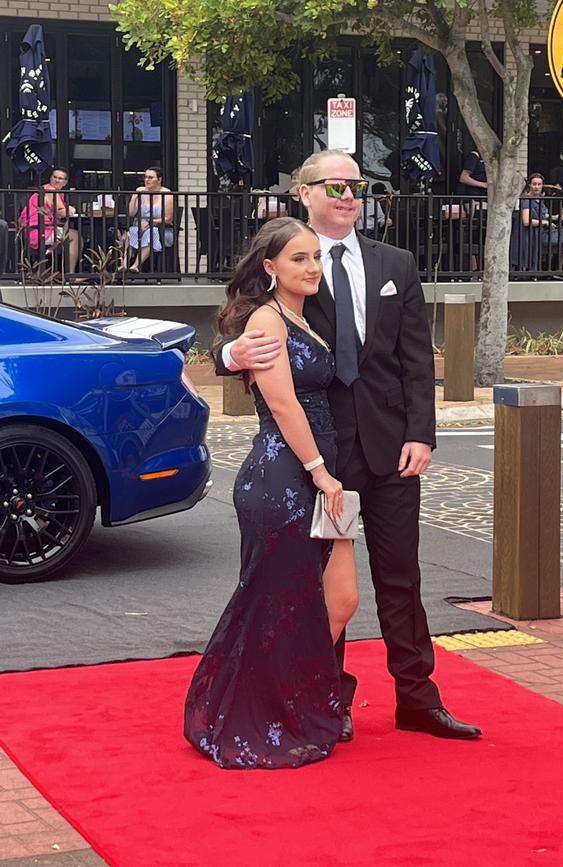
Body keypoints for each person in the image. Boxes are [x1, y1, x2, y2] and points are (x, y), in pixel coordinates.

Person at [215, 149, 481, 742]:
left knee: (400, 576)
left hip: (391, 450)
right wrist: (231, 356)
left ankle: (417, 697)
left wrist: (421, 433)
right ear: (301, 194)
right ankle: (326, 698)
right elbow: (246, 329)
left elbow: (416, 358)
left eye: (354, 185)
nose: (346, 194)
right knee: (324, 588)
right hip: (321, 460)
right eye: (331, 185)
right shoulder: (295, 263)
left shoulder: (397, 263)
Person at [185, 217, 359, 769]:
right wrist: (320, 472)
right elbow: (282, 403)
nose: (311, 268)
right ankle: (253, 709)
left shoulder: (304, 316)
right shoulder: (267, 319)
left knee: (340, 600)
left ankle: (293, 698)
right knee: (276, 602)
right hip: (285, 478)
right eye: (298, 259)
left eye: (315, 258)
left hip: (319, 474)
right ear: (269, 268)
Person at [20, 167, 81, 274]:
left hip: (38, 229)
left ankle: (56, 271)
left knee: (70, 235)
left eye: (60, 178)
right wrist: (72, 209)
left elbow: (60, 211)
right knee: (75, 236)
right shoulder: (50, 191)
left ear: (65, 183)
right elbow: (62, 212)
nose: (57, 180)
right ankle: (71, 275)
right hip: (39, 232)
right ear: (50, 178)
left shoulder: (49, 190)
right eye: (55, 177)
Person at [520, 172, 563, 272]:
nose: (536, 187)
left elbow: (543, 215)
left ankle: (559, 267)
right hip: (537, 235)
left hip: (543, 232)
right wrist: (546, 223)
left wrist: (556, 217)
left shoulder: (539, 199)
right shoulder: (526, 200)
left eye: (539, 184)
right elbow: (526, 221)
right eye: (534, 184)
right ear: (529, 185)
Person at [122, 166, 174, 272]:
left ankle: (135, 265)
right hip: (140, 227)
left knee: (151, 233)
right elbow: (131, 213)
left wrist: (150, 222)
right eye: (145, 177)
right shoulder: (142, 192)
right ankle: (124, 265)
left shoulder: (167, 194)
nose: (147, 180)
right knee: (130, 233)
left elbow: (168, 219)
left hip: (161, 229)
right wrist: (135, 196)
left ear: (159, 180)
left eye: (151, 178)